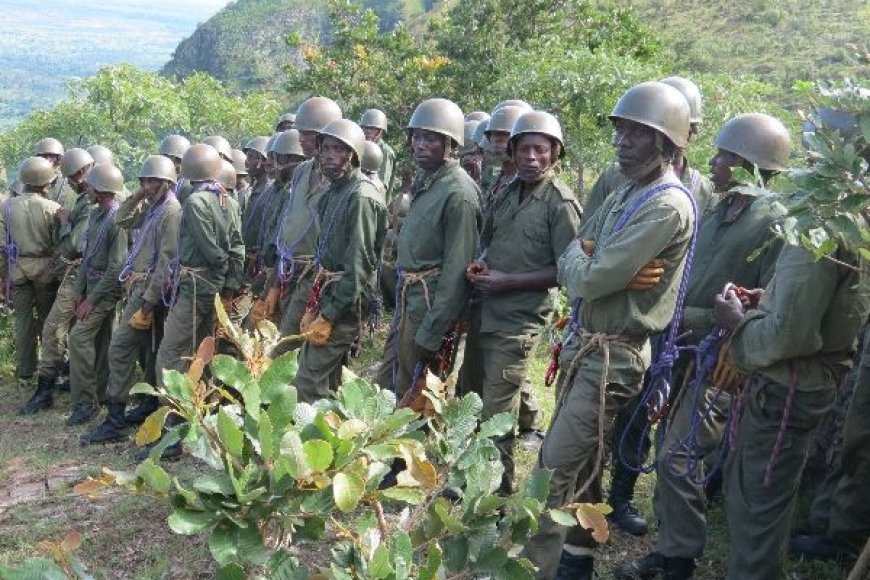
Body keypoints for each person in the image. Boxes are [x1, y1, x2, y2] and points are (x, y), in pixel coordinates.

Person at [522, 81, 696, 579]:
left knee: (553, 469)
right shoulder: (627, 189)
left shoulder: (666, 205)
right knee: (582, 467)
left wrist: (594, 267)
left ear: (666, 143)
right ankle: (577, 560)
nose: (622, 142)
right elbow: (574, 252)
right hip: (587, 346)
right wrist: (591, 263)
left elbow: (589, 275)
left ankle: (534, 567)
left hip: (613, 355)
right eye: (620, 131)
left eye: (636, 134)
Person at [615, 112, 790, 580]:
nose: (714, 163)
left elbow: (770, 301)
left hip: (721, 360)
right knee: (669, 447)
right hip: (685, 350)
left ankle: (679, 558)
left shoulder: (773, 222)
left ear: (753, 166)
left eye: (727, 158)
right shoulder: (718, 210)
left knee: (678, 455)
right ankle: (672, 547)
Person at [600, 75, 716, 537]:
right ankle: (588, 495)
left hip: (673, 319)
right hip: (622, 313)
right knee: (599, 407)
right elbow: (590, 238)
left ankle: (622, 496)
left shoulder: (702, 189)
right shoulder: (619, 176)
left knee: (643, 411)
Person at [461, 110, 582, 493]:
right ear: (513, 151)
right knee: (472, 401)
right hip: (484, 311)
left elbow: (568, 270)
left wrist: (509, 282)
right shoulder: (506, 192)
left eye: (541, 150)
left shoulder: (560, 204)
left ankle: (496, 493)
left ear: (554, 154)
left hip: (519, 321)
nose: (532, 157)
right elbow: (490, 241)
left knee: (499, 411)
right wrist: (482, 263)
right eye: (525, 149)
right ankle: (469, 480)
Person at [374, 98, 481, 399]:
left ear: (451, 144)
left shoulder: (459, 193)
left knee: (419, 389)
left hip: (430, 302)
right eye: (417, 137)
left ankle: (417, 445)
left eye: (431, 138)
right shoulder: (428, 181)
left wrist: (433, 330)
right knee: (390, 379)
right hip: (410, 297)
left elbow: (457, 271)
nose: (420, 145)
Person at [150, 144, 245, 459]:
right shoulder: (226, 198)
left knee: (172, 354)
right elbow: (236, 246)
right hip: (211, 285)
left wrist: (215, 274)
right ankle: (201, 424)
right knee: (202, 352)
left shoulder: (195, 202)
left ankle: (173, 431)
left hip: (197, 285)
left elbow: (212, 250)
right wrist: (228, 283)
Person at [80, 155, 181, 444]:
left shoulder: (171, 212)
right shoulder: (152, 207)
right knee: (148, 353)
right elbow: (122, 218)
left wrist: (148, 303)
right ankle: (144, 407)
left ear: (167, 183)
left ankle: (115, 419)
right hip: (139, 287)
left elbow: (167, 260)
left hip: (150, 290)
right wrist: (138, 194)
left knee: (120, 348)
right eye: (144, 181)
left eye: (153, 181)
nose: (148, 186)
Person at [292, 119, 387, 402]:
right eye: (326, 149)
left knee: (307, 381)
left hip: (344, 301)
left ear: (354, 156)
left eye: (339, 149)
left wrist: (329, 314)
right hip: (328, 292)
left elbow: (358, 267)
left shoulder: (361, 197)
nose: (330, 155)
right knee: (325, 378)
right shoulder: (333, 193)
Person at [255, 97, 342, 350]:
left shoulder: (339, 183)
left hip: (313, 277)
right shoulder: (303, 171)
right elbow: (287, 228)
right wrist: (272, 284)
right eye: (300, 132)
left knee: (285, 346)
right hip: (288, 270)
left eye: (307, 133)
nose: (300, 138)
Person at [18, 149, 95, 414]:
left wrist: (64, 223)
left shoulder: (90, 202)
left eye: (73, 177)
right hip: (78, 274)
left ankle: (45, 390)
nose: (71, 183)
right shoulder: (86, 201)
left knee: (52, 330)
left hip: (80, 274)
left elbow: (73, 246)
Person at [67, 163, 129, 426]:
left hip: (106, 289)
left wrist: (91, 300)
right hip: (92, 284)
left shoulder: (118, 220)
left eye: (90, 186)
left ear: (101, 190)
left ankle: (86, 402)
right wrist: (79, 291)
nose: (86, 190)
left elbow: (116, 267)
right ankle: (100, 392)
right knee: (102, 340)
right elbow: (87, 257)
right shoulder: (94, 215)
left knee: (78, 338)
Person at [0, 157, 61, 391]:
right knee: (48, 323)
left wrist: (3, 275)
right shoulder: (52, 208)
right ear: (45, 183)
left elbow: (3, 245)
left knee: (23, 322)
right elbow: (59, 244)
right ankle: (50, 370)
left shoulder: (7, 206)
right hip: (46, 269)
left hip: (18, 268)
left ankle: (25, 372)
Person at [239, 136, 274, 289]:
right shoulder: (253, 189)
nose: (246, 161)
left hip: (258, 262)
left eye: (251, 157)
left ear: (262, 160)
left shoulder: (269, 191)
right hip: (247, 260)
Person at [359, 108, 396, 202]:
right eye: (365, 128)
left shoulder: (386, 152)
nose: (367, 131)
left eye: (372, 128)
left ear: (380, 132)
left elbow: (381, 186)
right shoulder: (361, 147)